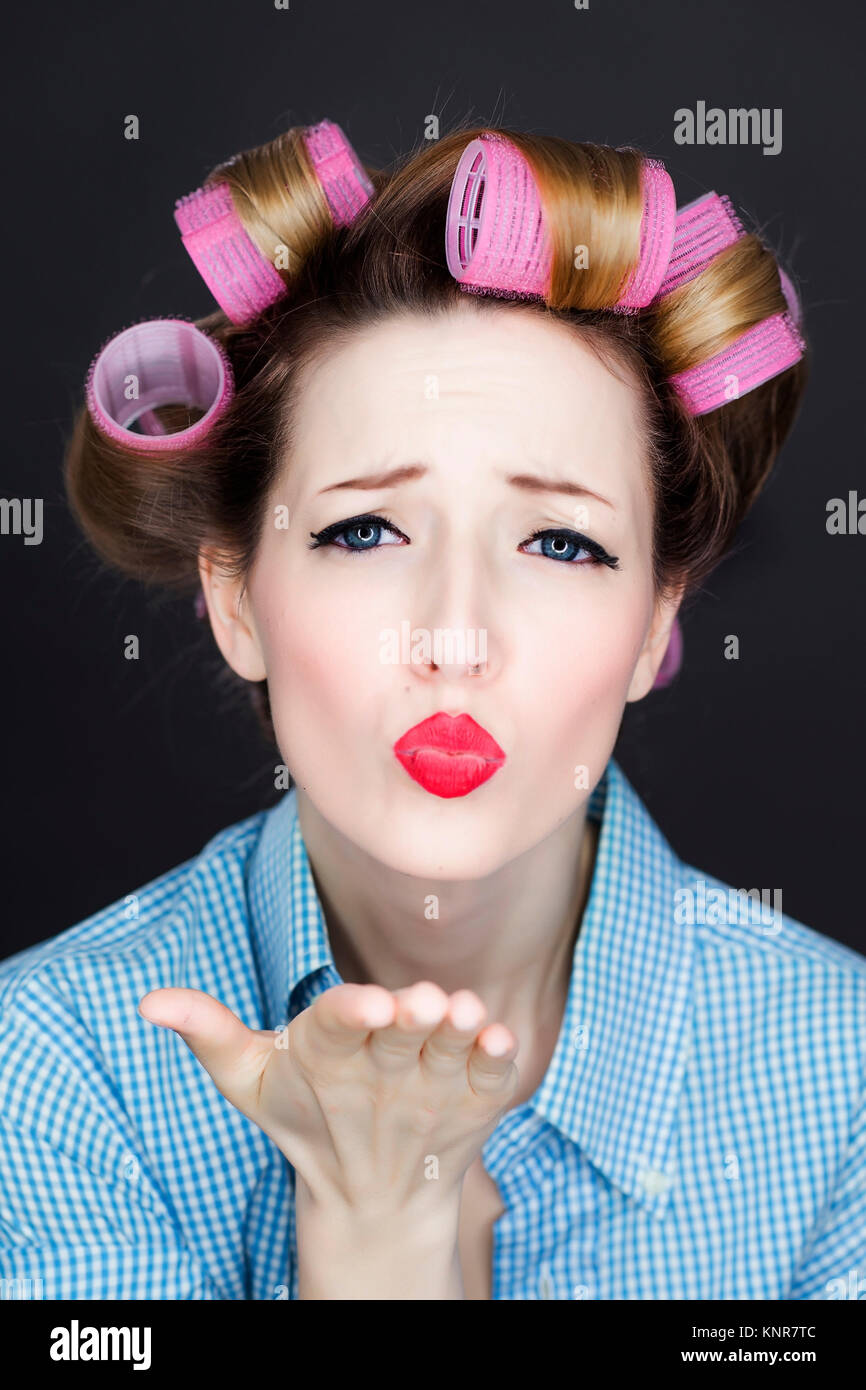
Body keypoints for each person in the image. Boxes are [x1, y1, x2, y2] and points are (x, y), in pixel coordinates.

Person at [1, 118, 863, 1302]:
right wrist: (380, 1233)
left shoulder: (844, 1079)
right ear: (236, 595)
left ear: (656, 620)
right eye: (365, 530)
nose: (454, 637)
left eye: (560, 542)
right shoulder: (49, 1067)